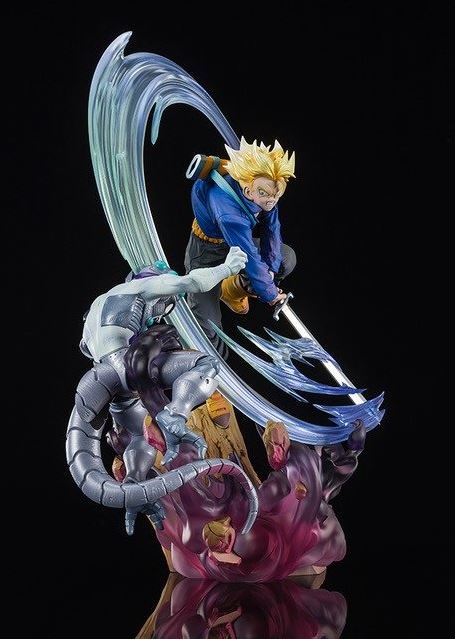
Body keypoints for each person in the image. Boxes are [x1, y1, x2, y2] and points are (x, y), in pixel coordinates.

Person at [184, 137, 297, 357]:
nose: (272, 200)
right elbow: (248, 255)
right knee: (206, 329)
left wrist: (271, 271)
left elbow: (272, 230)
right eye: (265, 194)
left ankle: (231, 290)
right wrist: (269, 292)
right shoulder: (227, 210)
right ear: (247, 189)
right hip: (206, 251)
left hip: (235, 244)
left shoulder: (267, 189)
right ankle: (211, 372)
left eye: (277, 195)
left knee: (285, 259)